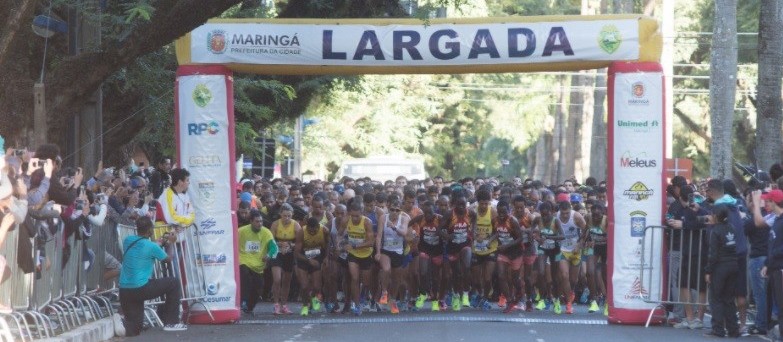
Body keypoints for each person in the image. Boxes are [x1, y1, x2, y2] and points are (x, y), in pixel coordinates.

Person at [119, 216, 186, 335]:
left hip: (124, 290)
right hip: (141, 288)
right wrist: (170, 242)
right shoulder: (152, 246)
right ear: (150, 230)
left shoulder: (127, 240)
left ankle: (120, 322)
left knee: (135, 329)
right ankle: (172, 322)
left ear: (137, 228)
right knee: (173, 283)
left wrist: (158, 243)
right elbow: (168, 259)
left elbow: (142, 246)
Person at [704, 205, 739, 338]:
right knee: (729, 299)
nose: (709, 217)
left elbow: (713, 254)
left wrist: (708, 271)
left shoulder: (716, 231)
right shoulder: (731, 228)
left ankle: (718, 329)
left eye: (711, 214)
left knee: (716, 298)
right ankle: (733, 329)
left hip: (720, 267)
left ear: (716, 216)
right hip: (733, 265)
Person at [375, 196, 410, 314]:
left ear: (400, 211)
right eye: (392, 209)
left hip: (399, 251)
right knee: (386, 269)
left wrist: (394, 227)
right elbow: (379, 236)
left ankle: (393, 300)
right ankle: (384, 292)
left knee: (397, 279)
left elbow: (404, 233)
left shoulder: (404, 219)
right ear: (388, 209)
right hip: (386, 250)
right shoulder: (383, 218)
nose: (394, 212)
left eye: (397, 210)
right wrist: (378, 252)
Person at [238, 210, 276, 314]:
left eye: (261, 221)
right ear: (251, 221)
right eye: (257, 221)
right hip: (243, 260)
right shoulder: (241, 231)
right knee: (245, 275)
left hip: (258, 265)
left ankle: (249, 308)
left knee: (259, 287)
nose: (260, 224)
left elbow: (274, 248)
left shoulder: (266, 232)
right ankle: (243, 301)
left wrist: (269, 255)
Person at [344, 200, 375, 316]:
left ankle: (363, 297)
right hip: (353, 254)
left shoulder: (367, 222)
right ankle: (356, 304)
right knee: (354, 278)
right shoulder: (346, 220)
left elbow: (371, 242)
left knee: (365, 282)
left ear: (362, 213)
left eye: (357, 216)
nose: (355, 218)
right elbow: (339, 234)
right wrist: (339, 245)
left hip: (366, 254)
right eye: (353, 215)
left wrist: (354, 245)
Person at [295, 217, 329, 316]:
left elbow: (327, 245)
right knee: (304, 286)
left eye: (315, 230)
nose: (313, 232)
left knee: (317, 286)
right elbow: (296, 253)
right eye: (310, 231)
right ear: (307, 227)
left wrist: (326, 257)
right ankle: (305, 305)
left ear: (318, 227)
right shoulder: (301, 232)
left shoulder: (324, 230)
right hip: (304, 258)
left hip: (317, 257)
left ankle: (314, 299)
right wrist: (309, 260)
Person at [270, 203, 300, 315]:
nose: (286, 218)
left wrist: (289, 245)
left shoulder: (296, 225)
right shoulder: (275, 224)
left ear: (292, 215)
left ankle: (284, 305)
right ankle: (276, 304)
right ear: (280, 214)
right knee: (277, 279)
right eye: (284, 216)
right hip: (277, 252)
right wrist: (280, 244)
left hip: (289, 253)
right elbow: (270, 240)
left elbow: (299, 242)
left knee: (287, 280)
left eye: (289, 216)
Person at [762, 189, 783, 341]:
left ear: (774, 202)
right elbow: (772, 243)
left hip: (780, 266)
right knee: (778, 303)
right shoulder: (776, 220)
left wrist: (773, 257)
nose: (766, 203)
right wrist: (767, 264)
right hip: (774, 266)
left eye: (768, 200)